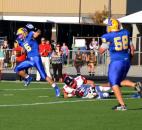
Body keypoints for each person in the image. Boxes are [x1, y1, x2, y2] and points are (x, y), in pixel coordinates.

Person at [99, 18, 136, 111]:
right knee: (119, 81)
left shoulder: (108, 36)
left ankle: (122, 105)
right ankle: (135, 85)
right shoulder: (126, 32)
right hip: (126, 61)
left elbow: (101, 51)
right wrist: (129, 59)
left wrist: (101, 47)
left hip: (116, 62)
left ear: (111, 27)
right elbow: (132, 49)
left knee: (113, 83)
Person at [14, 27, 60, 97]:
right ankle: (28, 77)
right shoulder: (21, 40)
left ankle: (56, 87)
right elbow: (23, 48)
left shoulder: (30, 34)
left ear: (24, 33)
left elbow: (38, 32)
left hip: (36, 59)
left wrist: (35, 28)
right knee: (16, 69)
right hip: (29, 59)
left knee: (44, 76)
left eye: (20, 34)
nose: (19, 36)